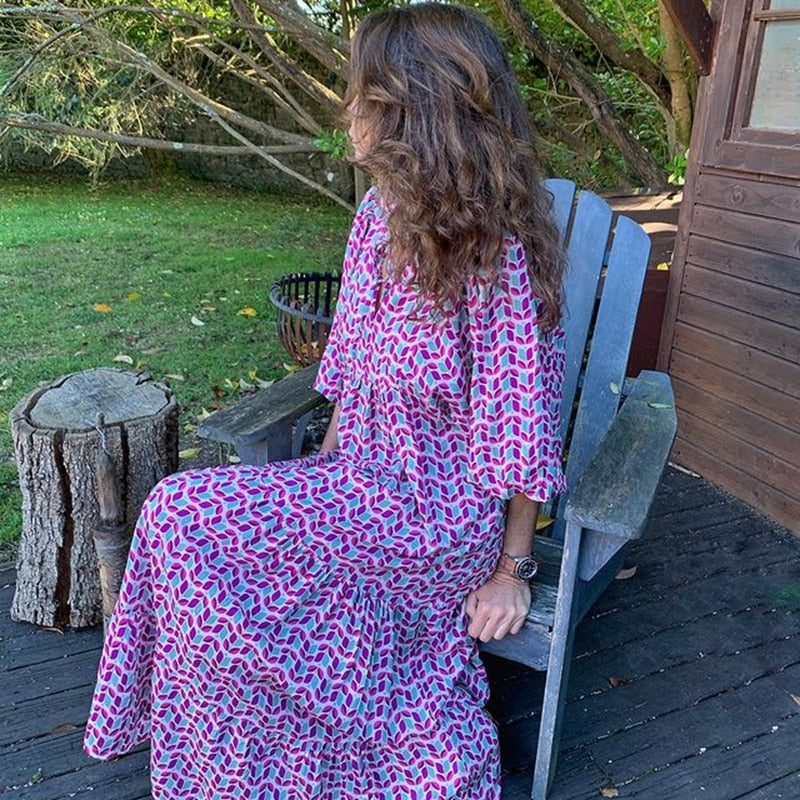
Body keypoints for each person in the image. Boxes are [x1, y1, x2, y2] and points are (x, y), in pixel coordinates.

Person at [84, 4, 567, 798]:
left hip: (437, 512)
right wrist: (317, 485)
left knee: (177, 516)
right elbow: (346, 370)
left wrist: (513, 570)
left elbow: (521, 430)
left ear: (414, 111)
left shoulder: (496, 254)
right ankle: (261, 762)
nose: (348, 113)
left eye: (363, 96)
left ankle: (325, 731)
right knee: (191, 531)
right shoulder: (378, 216)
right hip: (360, 485)